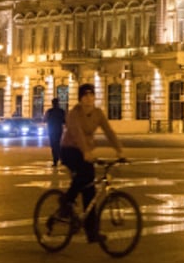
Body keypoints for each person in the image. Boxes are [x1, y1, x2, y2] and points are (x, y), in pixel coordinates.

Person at [59, 84, 125, 243]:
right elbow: (77, 133)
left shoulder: (98, 113)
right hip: (69, 149)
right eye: (85, 96)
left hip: (85, 151)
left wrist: (119, 150)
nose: (89, 98)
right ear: (80, 99)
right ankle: (65, 202)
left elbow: (109, 131)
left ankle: (92, 232)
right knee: (84, 175)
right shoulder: (74, 114)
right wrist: (85, 152)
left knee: (90, 191)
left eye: (91, 95)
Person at [44, 97, 66, 168]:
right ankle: (61, 159)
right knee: (58, 145)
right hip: (59, 130)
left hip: (51, 130)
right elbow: (64, 121)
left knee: (53, 145)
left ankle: (55, 161)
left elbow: (45, 120)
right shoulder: (61, 111)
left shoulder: (49, 111)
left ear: (52, 104)